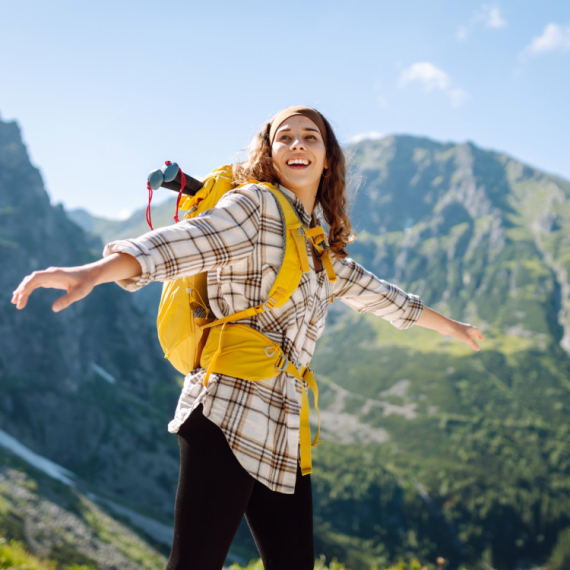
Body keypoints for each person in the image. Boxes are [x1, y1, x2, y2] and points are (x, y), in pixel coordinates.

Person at [12, 106, 484, 570]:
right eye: (285, 136)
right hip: (227, 408)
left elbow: (385, 297)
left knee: (294, 563)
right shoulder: (253, 206)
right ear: (270, 153)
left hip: (284, 422)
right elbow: (182, 243)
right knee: (195, 563)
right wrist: (93, 273)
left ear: (327, 159)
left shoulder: (320, 245)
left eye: (311, 137)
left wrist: (455, 328)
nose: (297, 143)